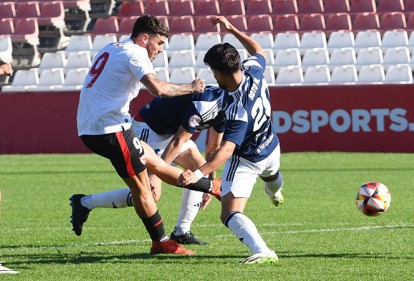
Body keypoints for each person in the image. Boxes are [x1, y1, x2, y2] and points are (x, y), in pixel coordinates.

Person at [76, 15, 217, 255]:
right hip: (109, 128)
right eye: (160, 42)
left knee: (155, 162)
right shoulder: (136, 53)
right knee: (145, 189)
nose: (161, 49)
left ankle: (214, 188)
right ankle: (161, 242)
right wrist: (192, 88)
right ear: (145, 38)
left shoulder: (114, 46)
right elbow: (158, 89)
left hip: (104, 124)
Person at [178, 16, 284, 264]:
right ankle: (275, 192)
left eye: (213, 72)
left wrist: (199, 173)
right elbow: (258, 50)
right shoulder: (253, 71)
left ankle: (262, 251)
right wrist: (232, 29)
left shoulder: (236, 106)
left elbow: (226, 149)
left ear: (218, 72)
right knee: (272, 179)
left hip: (246, 159)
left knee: (229, 213)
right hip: (271, 146)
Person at [72, 85, 225, 245]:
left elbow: (213, 148)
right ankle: (85, 202)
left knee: (200, 171)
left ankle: (182, 232)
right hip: (149, 128)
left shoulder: (226, 108)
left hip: (171, 132)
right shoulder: (208, 103)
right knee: (150, 193)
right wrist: (157, 175)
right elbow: (179, 140)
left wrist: (210, 180)